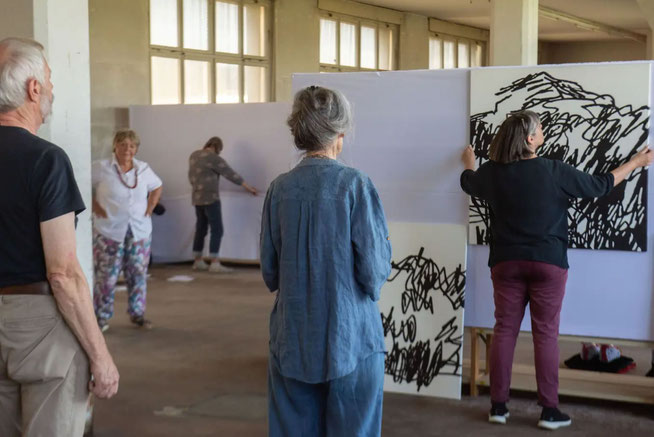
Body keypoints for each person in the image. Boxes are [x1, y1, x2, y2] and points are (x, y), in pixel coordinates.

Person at [460, 110, 653, 430]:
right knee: (545, 334)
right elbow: (600, 185)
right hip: (548, 263)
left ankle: (498, 407)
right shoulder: (552, 170)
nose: (544, 131)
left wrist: (469, 161)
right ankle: (549, 411)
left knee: (504, 330)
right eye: (540, 129)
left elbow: (469, 182)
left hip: (506, 263)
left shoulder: (493, 172)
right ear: (530, 139)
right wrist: (635, 163)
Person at [0, 37, 119, 436]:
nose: (51, 88)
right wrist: (100, 355)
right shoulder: (45, 160)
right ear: (33, 88)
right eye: (48, 79)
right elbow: (63, 273)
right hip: (41, 328)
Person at [260, 86, 391, 437]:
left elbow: (270, 272)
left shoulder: (279, 188)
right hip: (351, 336)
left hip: (293, 335)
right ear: (340, 134)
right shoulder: (356, 186)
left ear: (298, 131)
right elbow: (374, 271)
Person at [92, 129, 163, 332]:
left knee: (138, 274)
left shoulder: (143, 169)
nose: (127, 149)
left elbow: (157, 186)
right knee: (106, 277)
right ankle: (101, 317)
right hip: (108, 232)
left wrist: (150, 206)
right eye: (123, 144)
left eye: (131, 146)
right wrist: (94, 205)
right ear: (115, 146)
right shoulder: (101, 168)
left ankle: (137, 314)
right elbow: (80, 184)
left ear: (136, 148)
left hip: (139, 231)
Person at [188, 136, 257, 273]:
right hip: (211, 198)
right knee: (217, 229)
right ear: (218, 148)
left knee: (201, 228)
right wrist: (248, 187)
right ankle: (214, 262)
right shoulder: (214, 158)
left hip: (197, 198)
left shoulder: (194, 156)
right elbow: (230, 174)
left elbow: (191, 177)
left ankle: (198, 261)